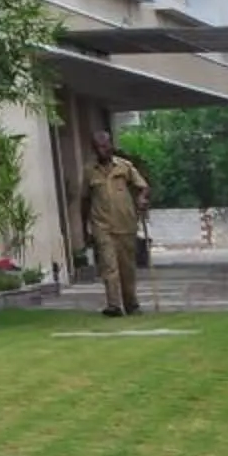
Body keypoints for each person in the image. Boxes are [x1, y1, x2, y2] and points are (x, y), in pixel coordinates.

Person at [79, 128, 150, 318]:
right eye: (98, 147)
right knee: (109, 266)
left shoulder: (125, 166)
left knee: (127, 268)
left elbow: (142, 187)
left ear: (111, 145)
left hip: (126, 224)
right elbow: (85, 200)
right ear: (94, 149)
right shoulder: (89, 171)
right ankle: (113, 305)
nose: (103, 149)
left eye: (105, 145)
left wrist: (142, 199)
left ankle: (131, 304)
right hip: (102, 226)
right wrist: (84, 227)